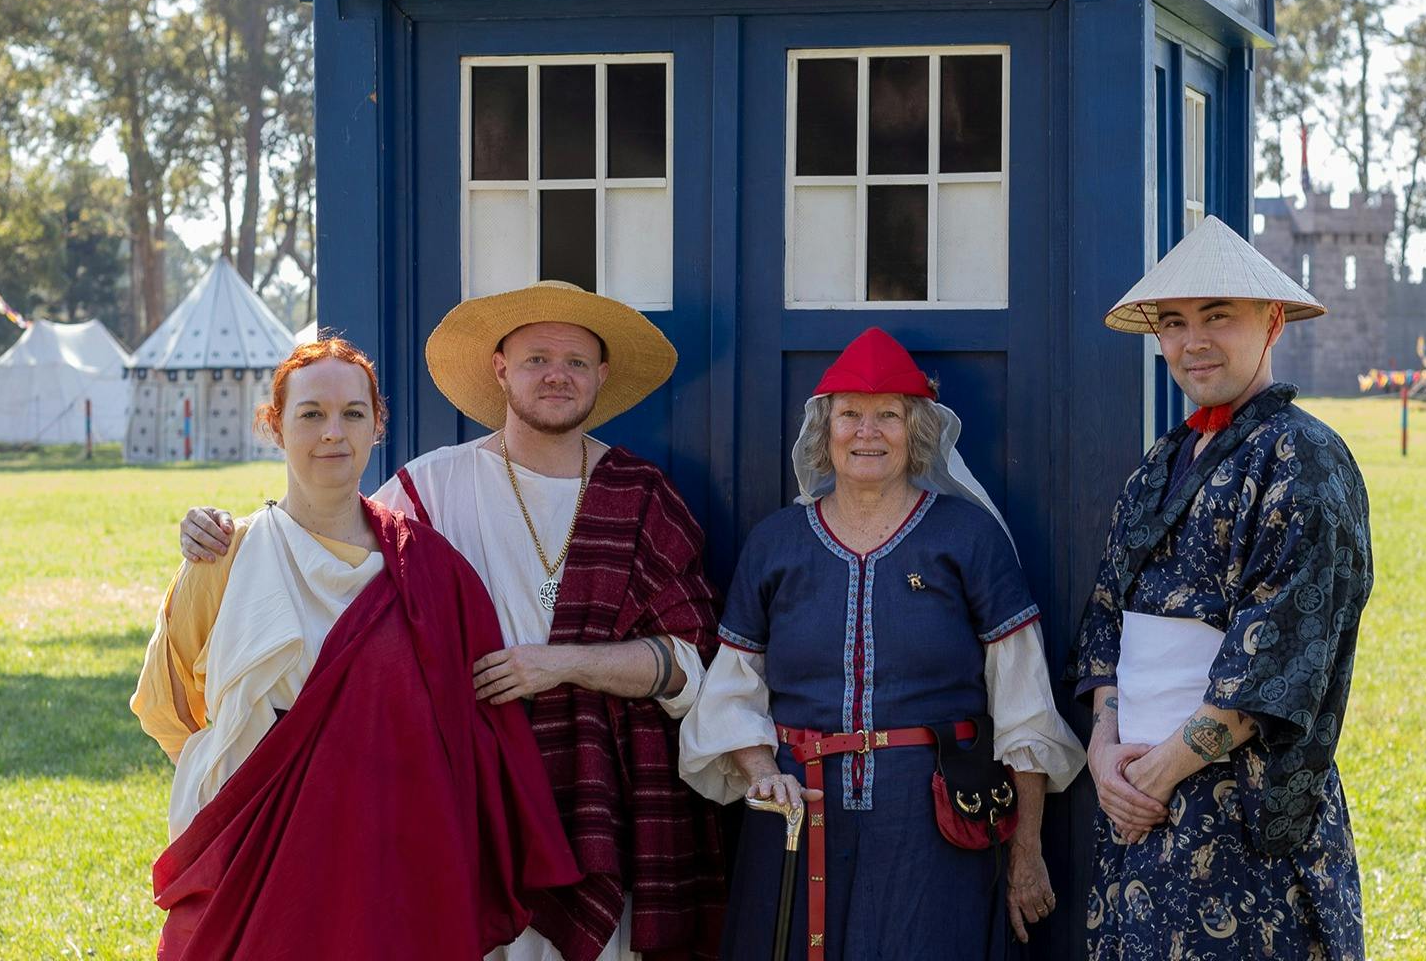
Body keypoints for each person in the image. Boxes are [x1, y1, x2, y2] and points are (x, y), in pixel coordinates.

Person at [176, 282, 726, 961]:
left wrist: (561, 664)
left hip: (603, 800)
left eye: (577, 362)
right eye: (536, 358)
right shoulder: (430, 487)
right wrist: (220, 532)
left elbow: (690, 663)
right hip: (464, 794)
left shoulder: (643, 497)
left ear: (602, 375)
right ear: (500, 368)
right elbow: (318, 560)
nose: (556, 374)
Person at [131, 337, 579, 960]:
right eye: (311, 413)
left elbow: (474, 733)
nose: (332, 433)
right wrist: (252, 781)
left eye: (352, 413)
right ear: (274, 426)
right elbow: (169, 704)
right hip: (259, 861)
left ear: (377, 427)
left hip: (392, 860)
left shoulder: (430, 569)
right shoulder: (224, 559)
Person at [679, 327, 1084, 960]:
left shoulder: (968, 537)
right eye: (850, 415)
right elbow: (733, 691)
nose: (867, 432)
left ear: (915, 432)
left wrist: (1026, 853)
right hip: (797, 814)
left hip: (934, 824)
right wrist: (763, 776)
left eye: (888, 415)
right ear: (824, 432)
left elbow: (1024, 707)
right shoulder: (776, 543)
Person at [1070, 215, 1373, 959]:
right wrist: (1104, 755)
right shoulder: (1161, 462)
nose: (1193, 341)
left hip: (1241, 815)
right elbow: (1107, 616)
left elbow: (1278, 657)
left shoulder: (1303, 458)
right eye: (1174, 323)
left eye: (1217, 317)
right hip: (1137, 808)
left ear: (1271, 323)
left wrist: (1154, 776)